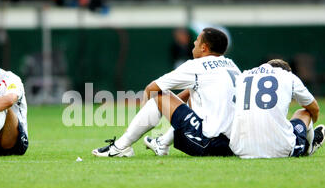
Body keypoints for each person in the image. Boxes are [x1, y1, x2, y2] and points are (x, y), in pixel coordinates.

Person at [92, 27, 241, 157]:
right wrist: (172, 109)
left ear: (204, 47)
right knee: (192, 96)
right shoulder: (231, 65)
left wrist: (137, 123)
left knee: (159, 95)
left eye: (197, 40)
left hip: (209, 144)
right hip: (233, 145)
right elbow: (189, 95)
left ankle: (119, 147)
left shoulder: (197, 66)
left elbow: (152, 88)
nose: (194, 43)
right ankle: (162, 143)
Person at [229, 59, 325, 158]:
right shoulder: (288, 76)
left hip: (240, 149)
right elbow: (314, 108)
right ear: (286, 71)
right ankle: (308, 147)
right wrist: (306, 127)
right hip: (280, 149)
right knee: (304, 112)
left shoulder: (243, 76)